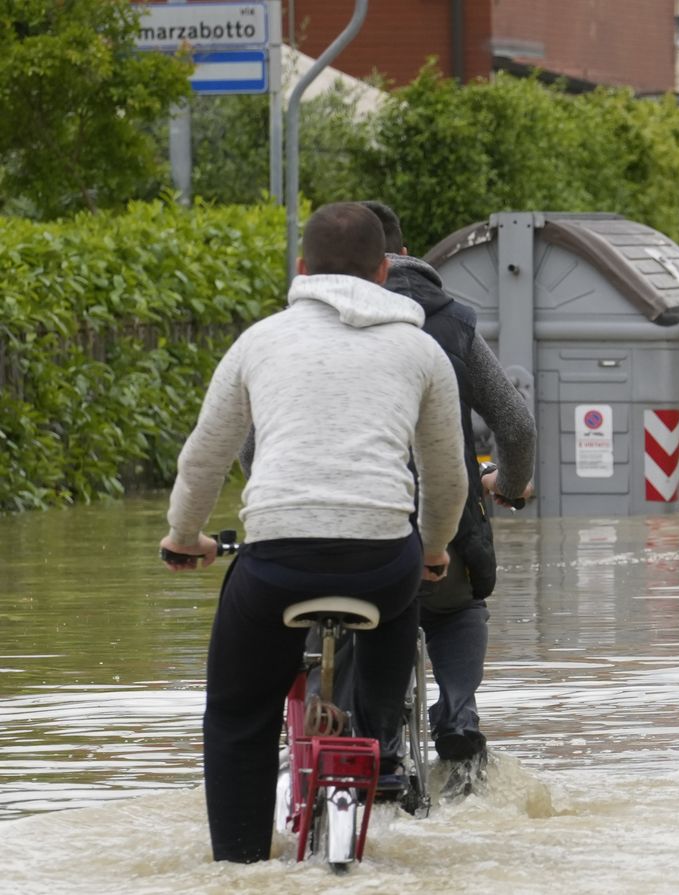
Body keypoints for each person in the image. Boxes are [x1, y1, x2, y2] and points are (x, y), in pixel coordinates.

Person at [158, 202, 466, 862]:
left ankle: (239, 864)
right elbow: (447, 479)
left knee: (238, 715)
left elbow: (206, 456)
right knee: (404, 587)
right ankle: (377, 739)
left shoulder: (260, 341)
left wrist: (183, 534)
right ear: (384, 272)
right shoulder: (421, 349)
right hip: (383, 563)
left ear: (302, 269)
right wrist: (435, 548)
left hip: (275, 564)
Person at [359, 201, 536, 772]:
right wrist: (508, 485)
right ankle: (459, 713)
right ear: (403, 256)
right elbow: (515, 424)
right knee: (457, 608)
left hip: (342, 526)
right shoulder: (452, 320)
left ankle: (362, 734)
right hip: (444, 521)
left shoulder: (308, 325)